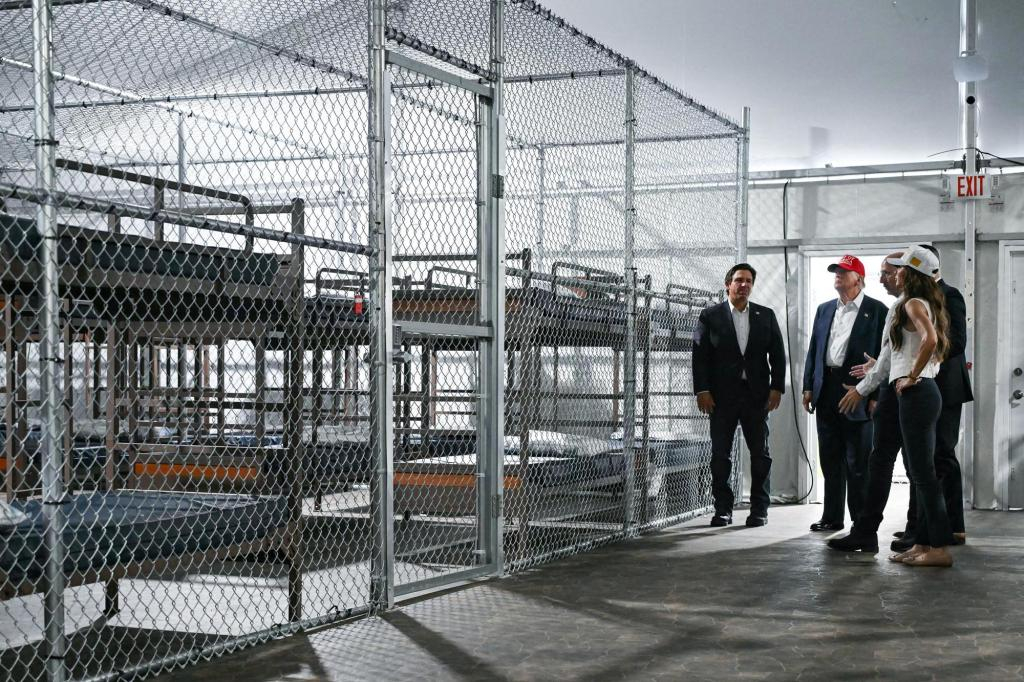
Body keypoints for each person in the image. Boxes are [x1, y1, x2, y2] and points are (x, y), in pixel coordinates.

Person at [833, 246, 955, 567]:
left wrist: (911, 375)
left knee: (923, 474)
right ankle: (924, 543)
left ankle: (939, 548)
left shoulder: (912, 303)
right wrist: (895, 370)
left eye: (898, 268)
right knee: (920, 472)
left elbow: (929, 340)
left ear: (910, 273)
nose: (893, 273)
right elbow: (902, 353)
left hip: (916, 392)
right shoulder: (920, 302)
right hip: (918, 391)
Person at [891, 244, 972, 550]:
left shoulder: (949, 295)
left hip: (945, 387)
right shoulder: (912, 300)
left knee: (941, 456)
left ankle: (951, 527)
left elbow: (957, 342)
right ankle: (918, 527)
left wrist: (921, 367)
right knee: (920, 460)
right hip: (924, 385)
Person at [693, 263, 786, 528]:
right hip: (721, 398)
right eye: (738, 280)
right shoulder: (709, 316)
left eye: (748, 281)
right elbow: (699, 356)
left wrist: (777, 387)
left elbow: (778, 355)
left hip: (756, 396)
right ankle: (723, 509)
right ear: (728, 284)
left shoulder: (765, 315)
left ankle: (759, 510)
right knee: (720, 455)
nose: (744, 285)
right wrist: (702, 390)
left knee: (761, 455)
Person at [801, 255, 889, 532]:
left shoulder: (878, 311)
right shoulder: (825, 309)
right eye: (836, 271)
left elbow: (885, 356)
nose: (837, 275)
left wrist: (875, 396)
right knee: (830, 458)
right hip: (826, 388)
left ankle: (860, 522)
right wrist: (808, 386)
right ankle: (832, 516)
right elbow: (815, 349)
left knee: (858, 461)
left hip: (858, 389)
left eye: (844, 271)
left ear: (858, 279)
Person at [827, 252, 905, 553]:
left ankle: (924, 536)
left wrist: (866, 391)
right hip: (886, 390)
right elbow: (890, 357)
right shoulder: (904, 305)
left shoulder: (898, 306)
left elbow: (918, 349)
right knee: (880, 463)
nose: (882, 278)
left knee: (879, 464)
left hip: (900, 393)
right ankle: (862, 529)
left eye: (887, 273)